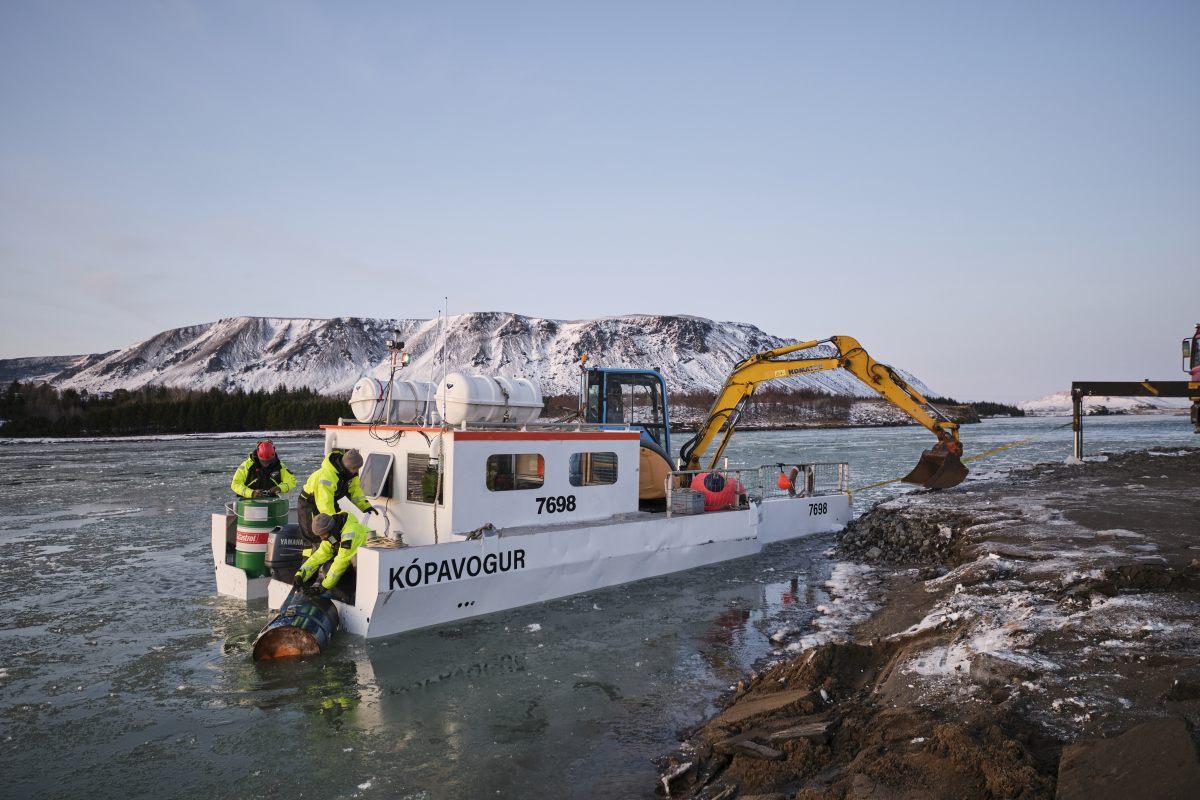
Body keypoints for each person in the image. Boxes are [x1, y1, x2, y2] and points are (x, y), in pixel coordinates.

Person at [297, 448, 375, 544]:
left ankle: (332, 549)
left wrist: (365, 506)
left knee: (336, 531)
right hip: (309, 504)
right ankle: (310, 556)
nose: (356, 471)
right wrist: (331, 523)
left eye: (358, 468)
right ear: (346, 466)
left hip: (329, 501)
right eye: (354, 468)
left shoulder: (349, 474)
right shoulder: (327, 476)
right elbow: (324, 503)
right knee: (313, 535)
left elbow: (355, 491)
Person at [293, 512, 370, 598]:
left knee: (335, 568)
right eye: (320, 536)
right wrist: (300, 575)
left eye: (323, 535)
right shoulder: (332, 535)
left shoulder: (350, 534)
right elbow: (318, 556)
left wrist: (323, 587)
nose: (322, 538)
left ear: (331, 529)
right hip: (357, 563)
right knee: (327, 567)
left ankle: (356, 597)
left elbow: (340, 563)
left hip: (372, 566)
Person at [230, 440, 296, 499]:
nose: (266, 464)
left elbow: (291, 481)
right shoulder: (247, 466)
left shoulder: (279, 466)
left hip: (273, 502)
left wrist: (279, 488)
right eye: (263, 462)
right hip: (249, 502)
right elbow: (235, 484)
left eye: (269, 461)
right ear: (258, 455)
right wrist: (251, 493)